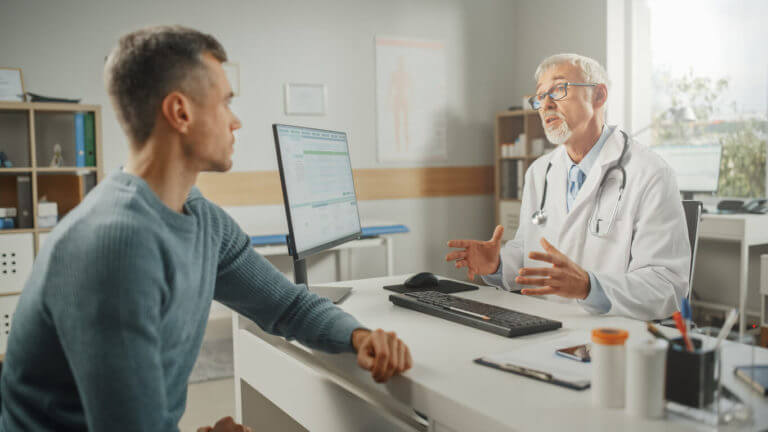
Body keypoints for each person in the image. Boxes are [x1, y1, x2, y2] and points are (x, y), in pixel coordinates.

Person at [0, 26, 412, 432]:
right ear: (181, 112)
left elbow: (287, 305)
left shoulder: (200, 218)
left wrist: (359, 336)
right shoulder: (114, 245)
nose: (236, 122)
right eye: (226, 102)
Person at [446, 53, 690, 321]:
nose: (545, 104)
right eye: (539, 97)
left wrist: (589, 287)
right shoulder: (540, 172)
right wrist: (497, 264)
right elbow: (529, 253)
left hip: (611, 335)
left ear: (599, 96)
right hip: (540, 326)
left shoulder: (650, 173)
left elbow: (667, 286)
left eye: (559, 89)